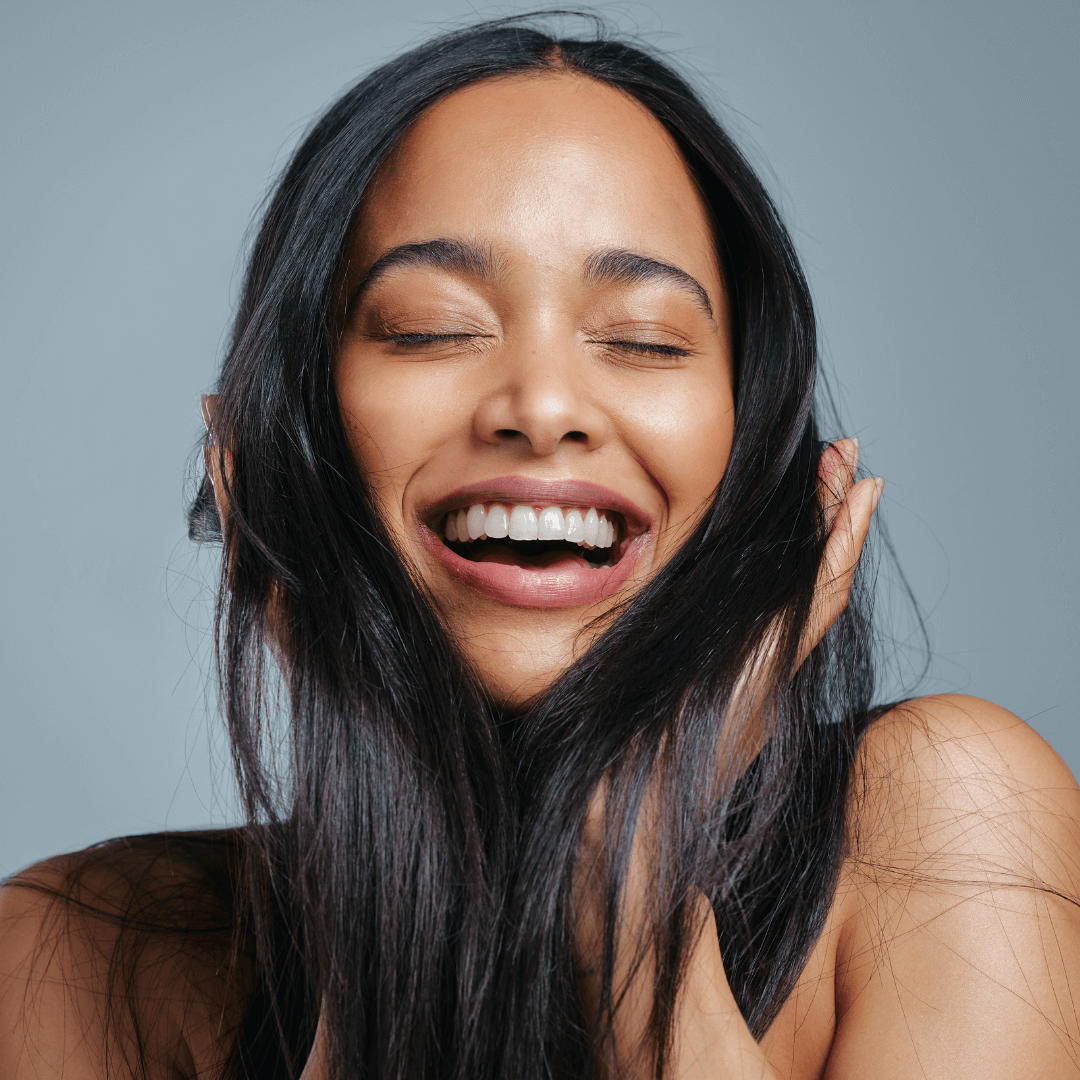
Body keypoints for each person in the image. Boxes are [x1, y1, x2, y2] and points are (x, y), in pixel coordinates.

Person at [2, 14, 1077, 1080]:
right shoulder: (76, 953)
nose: (545, 405)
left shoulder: (950, 822)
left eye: (644, 340)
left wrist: (634, 897)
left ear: (750, 447)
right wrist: (391, 800)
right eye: (429, 326)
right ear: (293, 433)